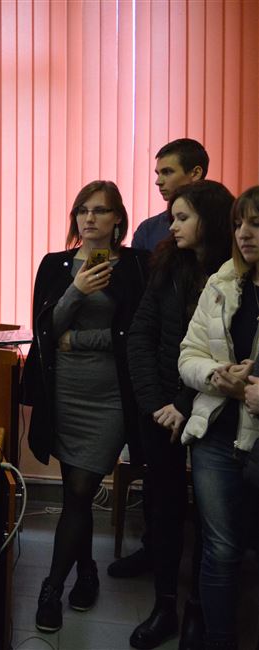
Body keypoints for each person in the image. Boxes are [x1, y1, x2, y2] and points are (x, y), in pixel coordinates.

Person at [21, 180, 149, 633]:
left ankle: (51, 587)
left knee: (79, 489)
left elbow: (135, 335)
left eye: (100, 210)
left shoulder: (135, 266)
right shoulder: (54, 265)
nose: (89, 218)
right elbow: (45, 329)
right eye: (82, 210)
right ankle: (87, 571)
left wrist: (80, 340)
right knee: (73, 491)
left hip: (111, 399)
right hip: (62, 395)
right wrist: (75, 289)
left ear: (118, 220)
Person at [126, 181, 234, 649]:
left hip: (212, 411)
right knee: (164, 509)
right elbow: (141, 335)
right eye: (173, 217)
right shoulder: (168, 265)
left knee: (212, 522)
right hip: (160, 411)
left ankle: (198, 610)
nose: (172, 226)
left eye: (183, 217)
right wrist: (157, 404)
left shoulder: (234, 277)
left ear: (210, 220)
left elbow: (226, 361)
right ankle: (164, 605)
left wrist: (184, 406)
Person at [178, 185, 259, 650]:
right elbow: (188, 355)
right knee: (221, 549)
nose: (244, 233)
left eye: (255, 224)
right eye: (237, 224)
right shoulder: (222, 282)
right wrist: (215, 376)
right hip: (216, 434)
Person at [131, 138, 209, 252]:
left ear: (195, 173)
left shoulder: (227, 223)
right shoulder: (148, 230)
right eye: (158, 173)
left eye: (167, 172)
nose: (158, 181)